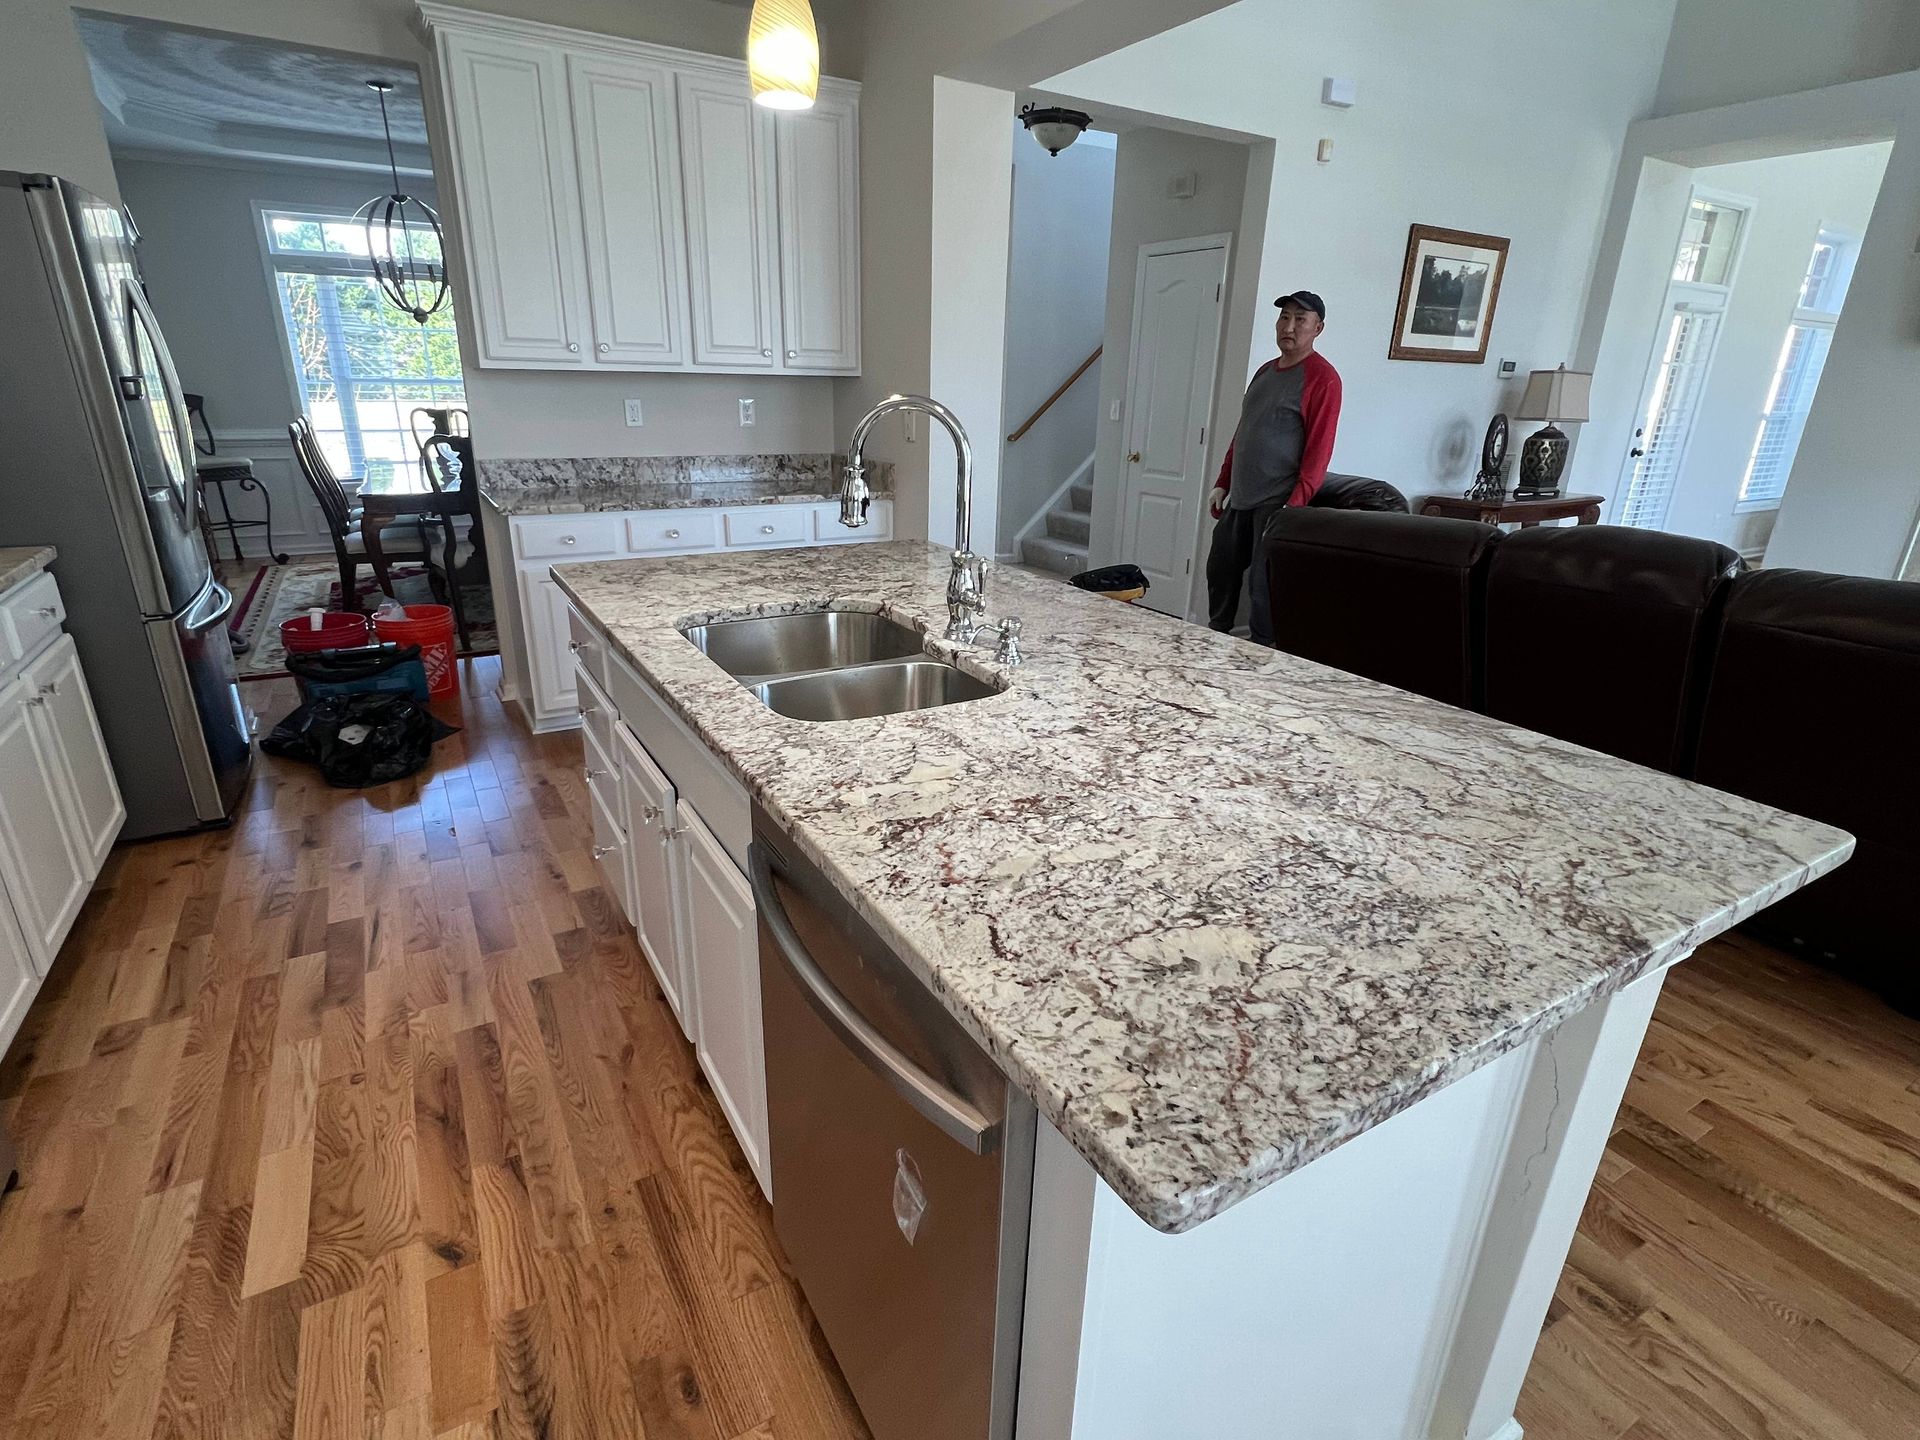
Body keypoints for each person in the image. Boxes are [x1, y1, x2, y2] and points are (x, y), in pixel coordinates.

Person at [1204, 290, 1343, 644]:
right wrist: (1223, 482)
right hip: (1240, 497)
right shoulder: (1265, 372)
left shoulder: (1323, 378)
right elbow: (1244, 433)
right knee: (1220, 571)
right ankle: (1214, 642)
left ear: (1318, 328)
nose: (1290, 326)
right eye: (1285, 317)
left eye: (1301, 319)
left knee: (1262, 589)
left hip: (1277, 502)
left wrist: (1292, 506)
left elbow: (1319, 450)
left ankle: (1262, 658)